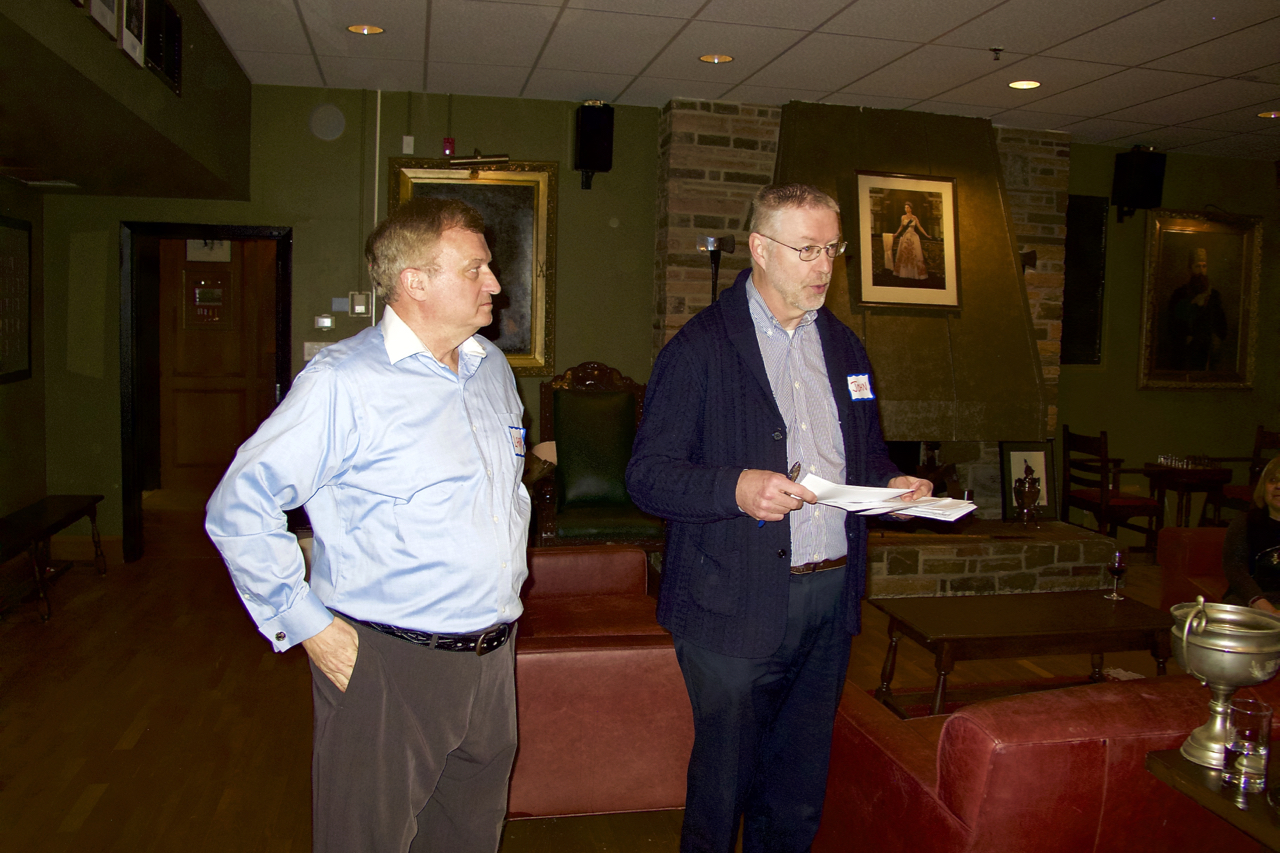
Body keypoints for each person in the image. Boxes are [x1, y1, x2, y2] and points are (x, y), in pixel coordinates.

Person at [205, 197, 529, 853]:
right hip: (388, 661)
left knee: (468, 837)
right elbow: (238, 505)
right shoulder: (343, 381)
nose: (494, 283)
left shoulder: (490, 368)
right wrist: (309, 626)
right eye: (474, 269)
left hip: (493, 658)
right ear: (415, 281)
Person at [626, 183, 931, 853]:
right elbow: (647, 476)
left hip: (828, 598)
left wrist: (893, 483)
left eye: (833, 250)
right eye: (807, 250)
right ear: (761, 249)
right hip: (732, 602)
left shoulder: (845, 348)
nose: (825, 266)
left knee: (796, 787)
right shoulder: (700, 348)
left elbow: (864, 455)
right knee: (723, 787)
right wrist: (735, 487)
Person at [1223, 455, 1280, 613]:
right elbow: (1235, 569)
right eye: (1273, 480)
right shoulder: (1245, 522)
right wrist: (1265, 607)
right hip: (1251, 600)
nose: (1278, 486)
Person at [1166, 247, 1228, 371]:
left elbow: (1221, 326)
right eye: (1197, 266)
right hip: (1184, 352)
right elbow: (1173, 324)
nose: (1201, 270)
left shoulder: (1214, 295)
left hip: (1207, 352)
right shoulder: (1179, 294)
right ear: (1190, 269)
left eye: (1204, 266)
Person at [892, 201, 929, 280]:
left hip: (913, 237)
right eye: (905, 207)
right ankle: (904, 272)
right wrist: (896, 234)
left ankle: (914, 273)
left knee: (914, 254)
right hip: (905, 236)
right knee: (905, 253)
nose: (906, 209)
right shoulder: (903, 217)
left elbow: (919, 227)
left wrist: (926, 235)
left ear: (911, 209)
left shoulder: (914, 218)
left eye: (907, 207)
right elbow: (901, 227)